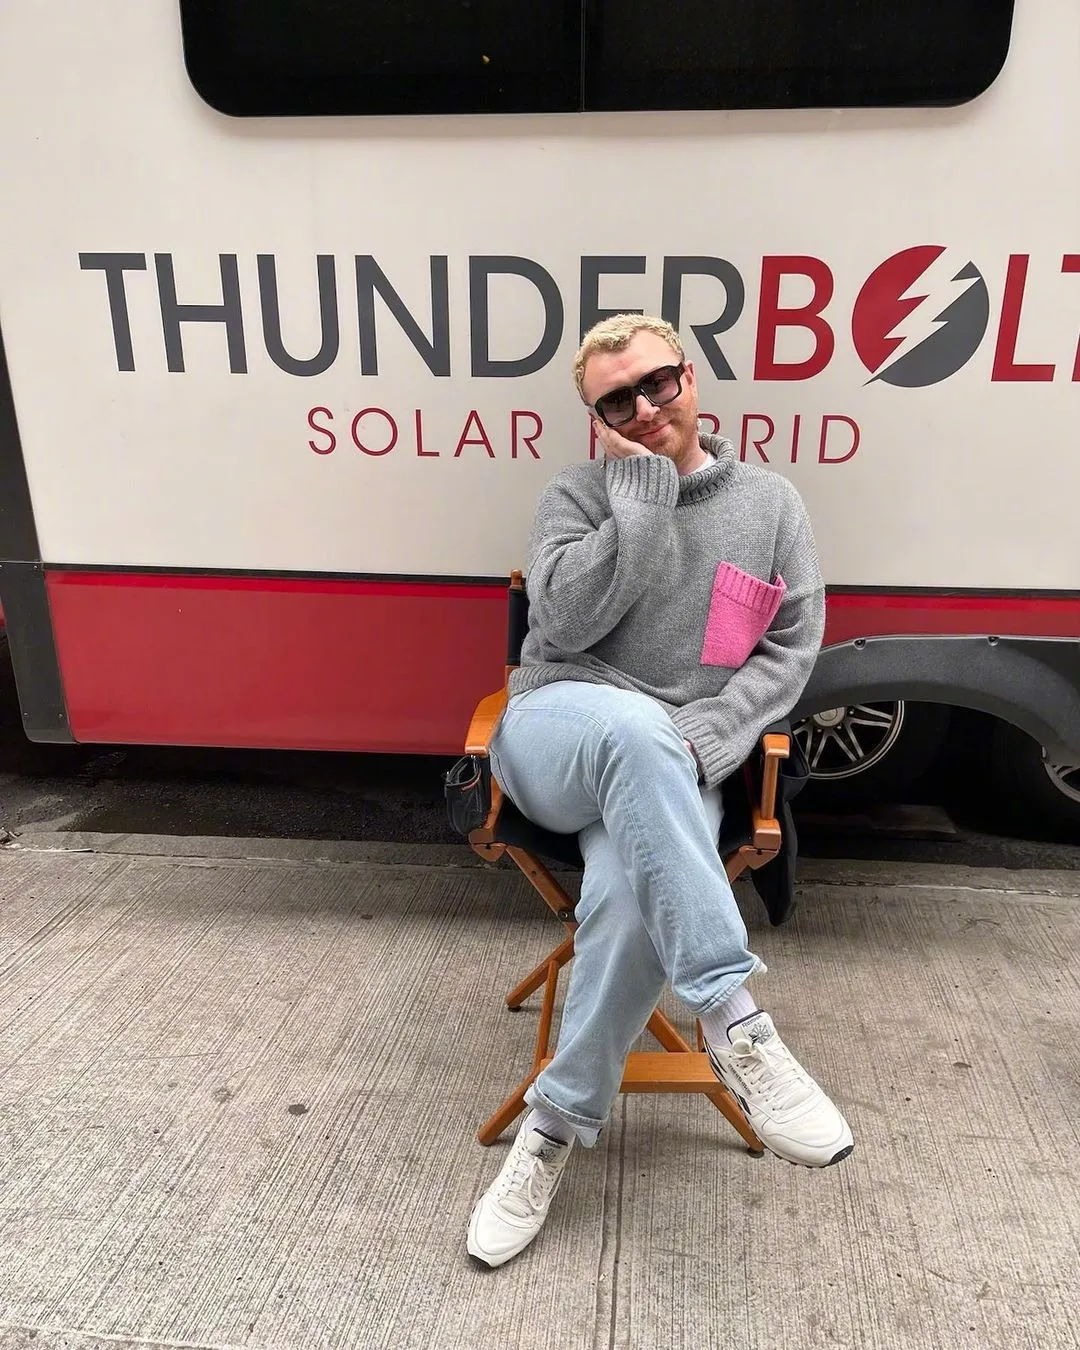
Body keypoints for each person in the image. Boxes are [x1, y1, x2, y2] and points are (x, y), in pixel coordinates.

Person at [466, 314, 853, 1269]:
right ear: (595, 419)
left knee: (632, 899)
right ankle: (734, 1015)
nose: (643, 409)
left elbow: (790, 648)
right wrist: (641, 499)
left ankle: (550, 1130)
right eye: (616, 402)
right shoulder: (576, 495)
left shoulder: (770, 504)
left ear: (692, 375)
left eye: (657, 384)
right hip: (559, 728)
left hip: (678, 759)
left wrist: (718, 730)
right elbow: (562, 621)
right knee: (632, 731)